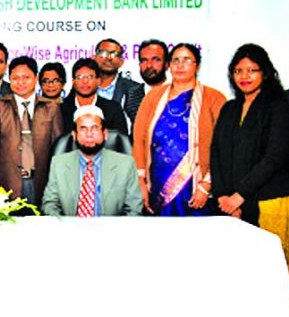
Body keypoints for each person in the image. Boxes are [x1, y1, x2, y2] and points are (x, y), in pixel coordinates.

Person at [211, 43, 289, 315]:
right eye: (239, 70)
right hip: (230, 207)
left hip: (269, 202)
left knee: (272, 277)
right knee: (238, 278)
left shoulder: (278, 106)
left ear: (265, 72)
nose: (245, 76)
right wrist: (224, 197)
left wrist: (239, 196)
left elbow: (275, 157)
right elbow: (216, 153)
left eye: (252, 70)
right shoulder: (229, 108)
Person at [133, 43, 226, 216]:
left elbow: (224, 146)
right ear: (168, 65)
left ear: (197, 65)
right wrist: (141, 181)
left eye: (187, 60)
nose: (180, 65)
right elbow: (139, 140)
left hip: (196, 187)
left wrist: (206, 185)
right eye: (175, 60)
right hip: (157, 184)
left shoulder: (214, 98)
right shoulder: (153, 97)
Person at [0, 56, 63, 206]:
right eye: (15, 78)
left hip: (41, 183)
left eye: (26, 77)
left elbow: (59, 152)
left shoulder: (51, 108)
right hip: (6, 185)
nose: (20, 82)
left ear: (36, 78)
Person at [42, 106, 142, 217]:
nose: (89, 134)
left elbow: (134, 208)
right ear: (74, 135)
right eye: (83, 129)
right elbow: (50, 204)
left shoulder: (126, 164)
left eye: (95, 128)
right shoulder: (59, 163)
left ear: (105, 134)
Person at [59, 58, 128, 135]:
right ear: (73, 82)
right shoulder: (61, 110)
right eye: (80, 77)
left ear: (98, 81)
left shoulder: (113, 109)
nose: (85, 81)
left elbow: (121, 141)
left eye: (90, 77)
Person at [124, 39, 169, 127]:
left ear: (167, 64)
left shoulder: (179, 93)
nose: (149, 65)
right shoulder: (131, 94)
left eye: (156, 60)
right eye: (144, 60)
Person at [94, 38, 137, 106]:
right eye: (104, 53)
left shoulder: (134, 90)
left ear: (121, 62)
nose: (109, 58)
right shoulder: (83, 86)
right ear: (94, 58)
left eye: (115, 54)